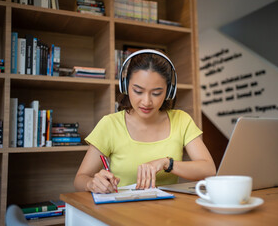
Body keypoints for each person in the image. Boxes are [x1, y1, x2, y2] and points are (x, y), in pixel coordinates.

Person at [74, 49, 216, 194]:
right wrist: (92, 183)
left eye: (156, 93)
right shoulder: (110, 124)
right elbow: (80, 179)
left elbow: (209, 170)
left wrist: (167, 163)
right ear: (126, 86)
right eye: (138, 91)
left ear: (169, 91)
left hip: (168, 212)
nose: (147, 102)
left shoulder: (181, 120)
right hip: (122, 211)